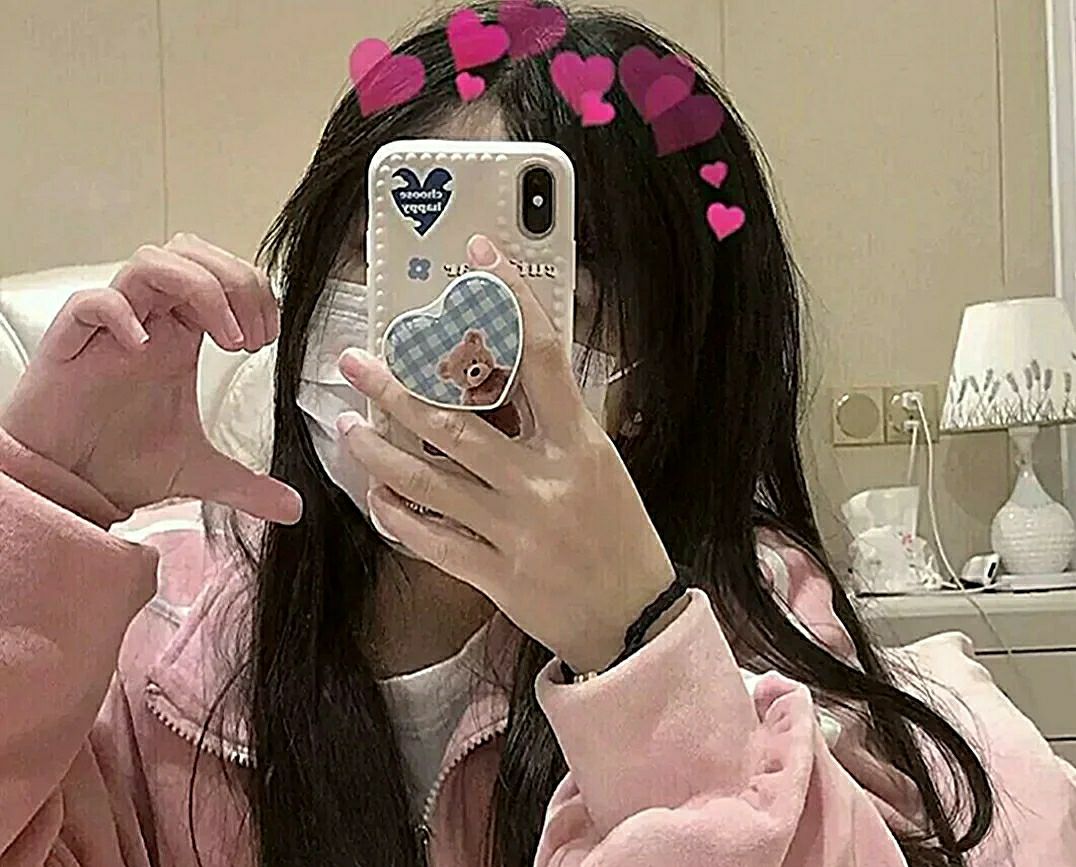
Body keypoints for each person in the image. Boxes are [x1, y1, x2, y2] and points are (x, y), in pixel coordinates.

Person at [1, 3, 1074, 866]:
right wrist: (44, 507)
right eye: (394, 255)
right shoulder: (163, 623)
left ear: (651, 383)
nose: (444, 337)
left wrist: (636, 651)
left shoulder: (751, 635)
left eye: (546, 284)